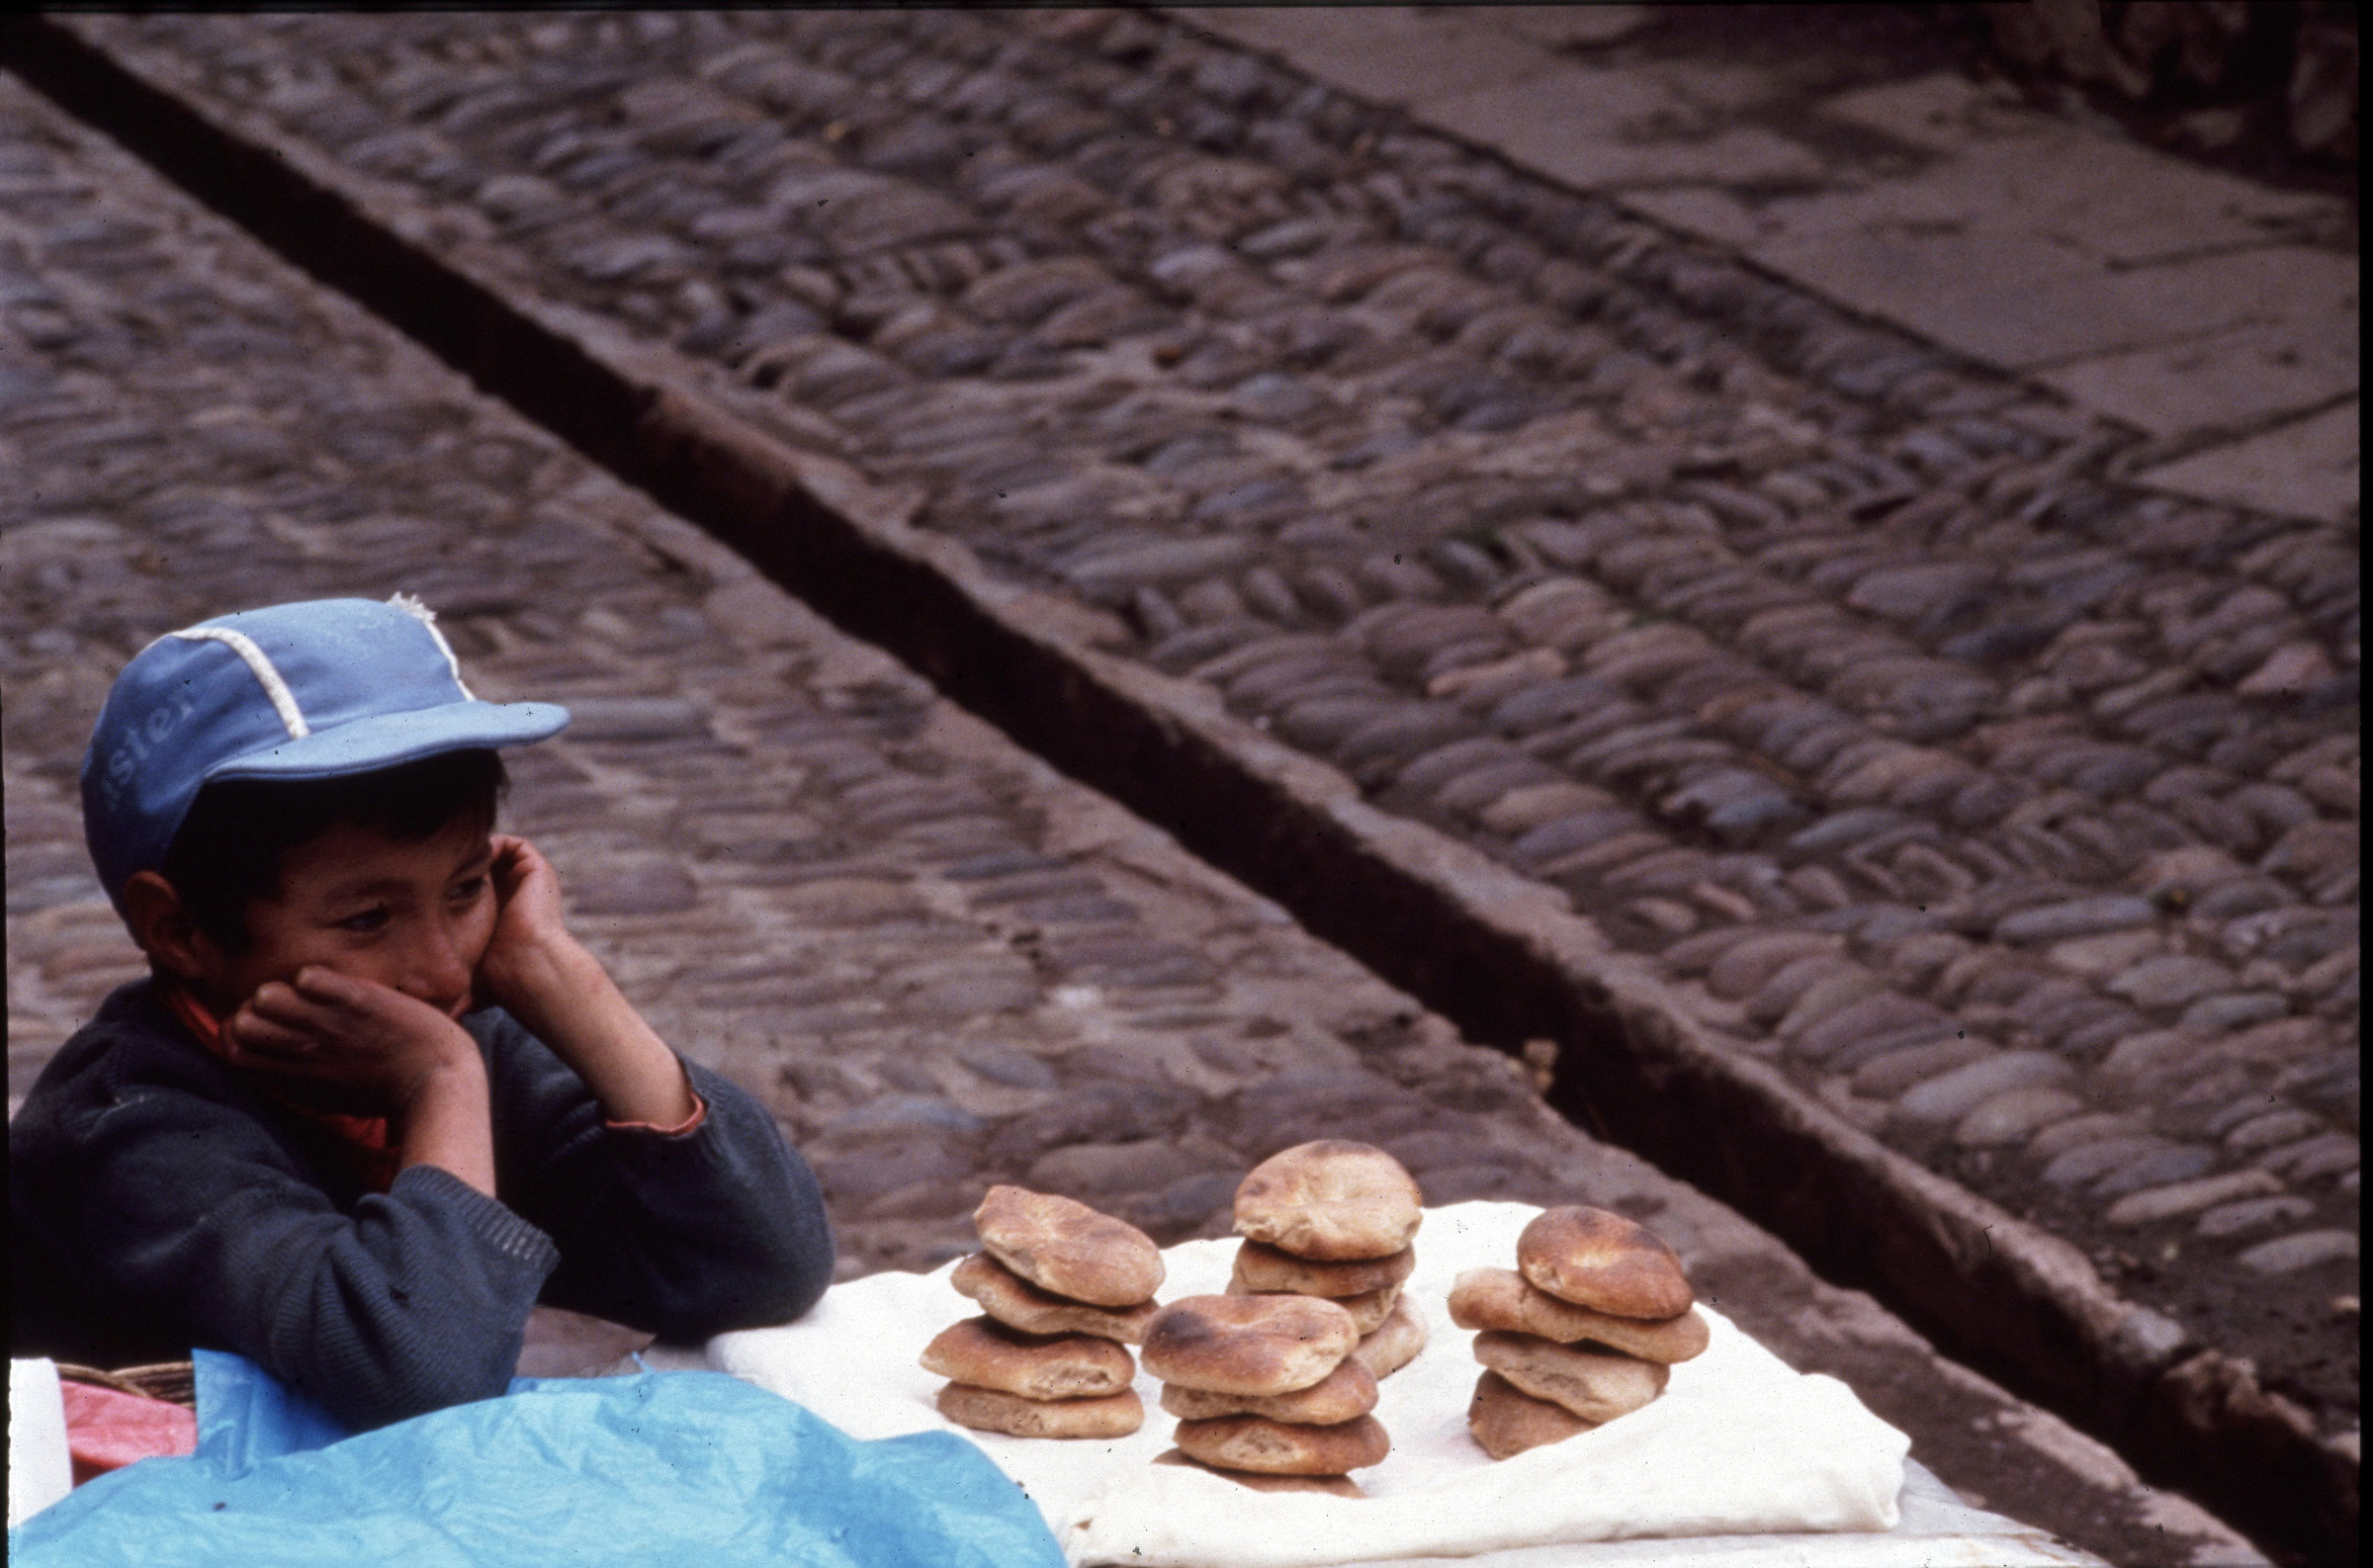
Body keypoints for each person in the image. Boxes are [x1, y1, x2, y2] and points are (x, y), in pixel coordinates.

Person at [10, 595, 834, 1432]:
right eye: (367, 919)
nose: (443, 971)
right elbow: (419, 1375)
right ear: (180, 931)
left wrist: (562, 980)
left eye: (467, 889)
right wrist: (440, 1082)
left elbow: (762, 1266)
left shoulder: (458, 1032)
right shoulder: (134, 1130)